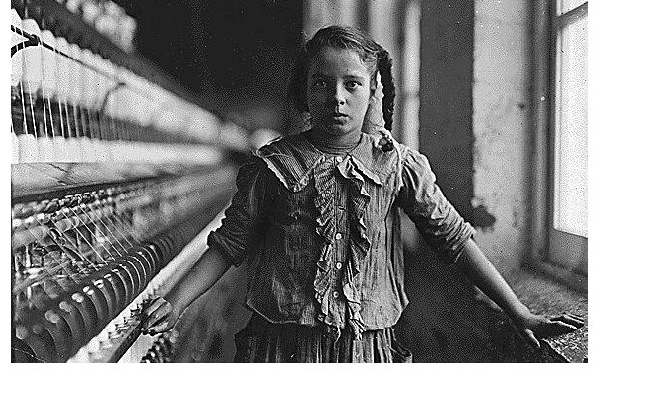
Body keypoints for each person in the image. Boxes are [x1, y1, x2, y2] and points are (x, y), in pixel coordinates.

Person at [140, 25, 583, 362]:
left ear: (372, 91)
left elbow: (455, 240)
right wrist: (175, 304)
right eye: (321, 83)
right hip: (282, 349)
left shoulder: (398, 166)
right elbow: (228, 245)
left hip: (366, 351)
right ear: (304, 91)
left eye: (351, 84)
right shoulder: (271, 166)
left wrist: (518, 312)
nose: (336, 97)